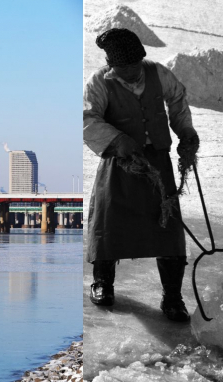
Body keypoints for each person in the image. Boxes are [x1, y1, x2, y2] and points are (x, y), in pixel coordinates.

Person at [84, 27, 200, 322]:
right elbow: (86, 119)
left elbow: (178, 100)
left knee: (168, 227)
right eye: (125, 70)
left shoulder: (158, 73)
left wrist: (185, 131)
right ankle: (102, 283)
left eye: (136, 66)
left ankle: (172, 297)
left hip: (158, 162)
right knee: (108, 222)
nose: (133, 74)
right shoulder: (99, 83)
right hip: (120, 165)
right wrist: (117, 140)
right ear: (112, 65)